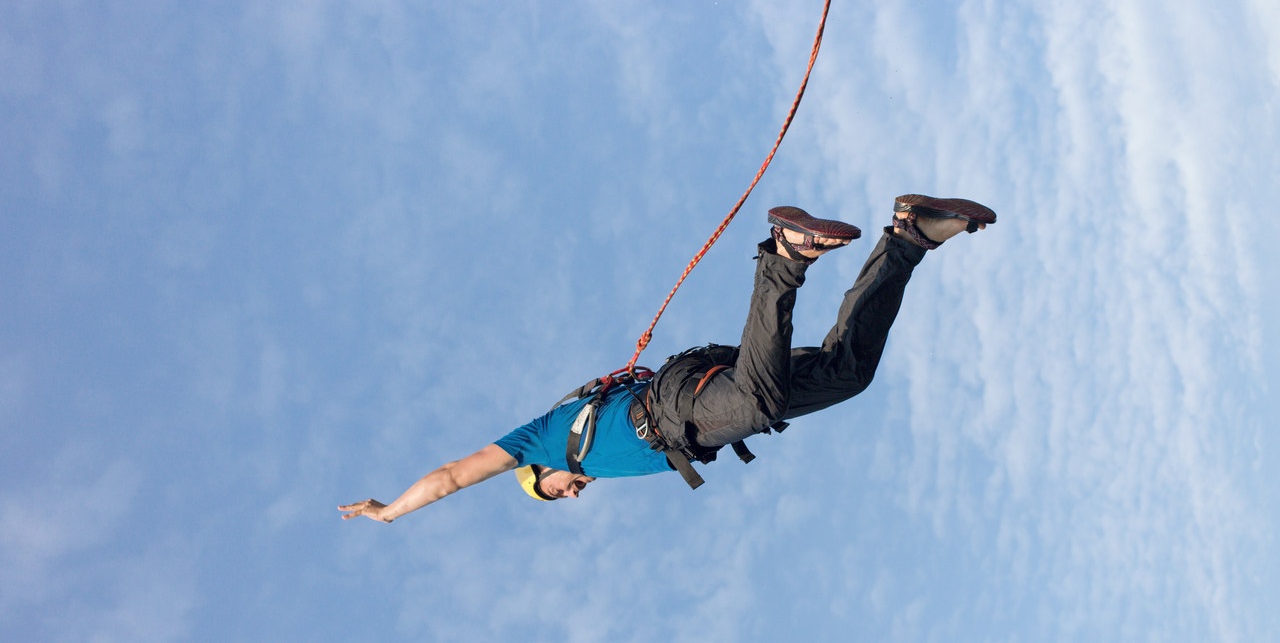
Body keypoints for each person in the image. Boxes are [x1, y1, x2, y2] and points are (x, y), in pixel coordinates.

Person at [339, 195, 995, 522]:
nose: (573, 491)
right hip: (699, 390)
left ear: (537, 475)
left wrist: (392, 511)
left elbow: (455, 475)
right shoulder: (582, 440)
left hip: (686, 406)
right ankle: (909, 235)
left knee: (759, 405)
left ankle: (784, 255)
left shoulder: (540, 440)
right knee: (845, 374)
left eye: (556, 493)